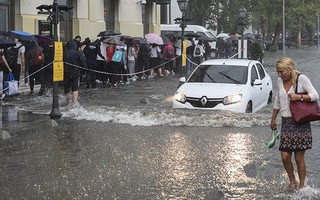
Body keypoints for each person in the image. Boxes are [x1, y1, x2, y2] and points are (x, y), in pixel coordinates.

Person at [270, 57, 319, 191]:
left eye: (281, 71)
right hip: (286, 123)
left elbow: (315, 95)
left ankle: (302, 185)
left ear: (289, 69)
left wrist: (299, 97)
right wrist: (273, 118)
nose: (280, 74)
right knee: (285, 156)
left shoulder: (301, 78)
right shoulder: (280, 81)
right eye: (277, 72)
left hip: (300, 122)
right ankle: (293, 181)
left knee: (298, 158)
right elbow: (277, 100)